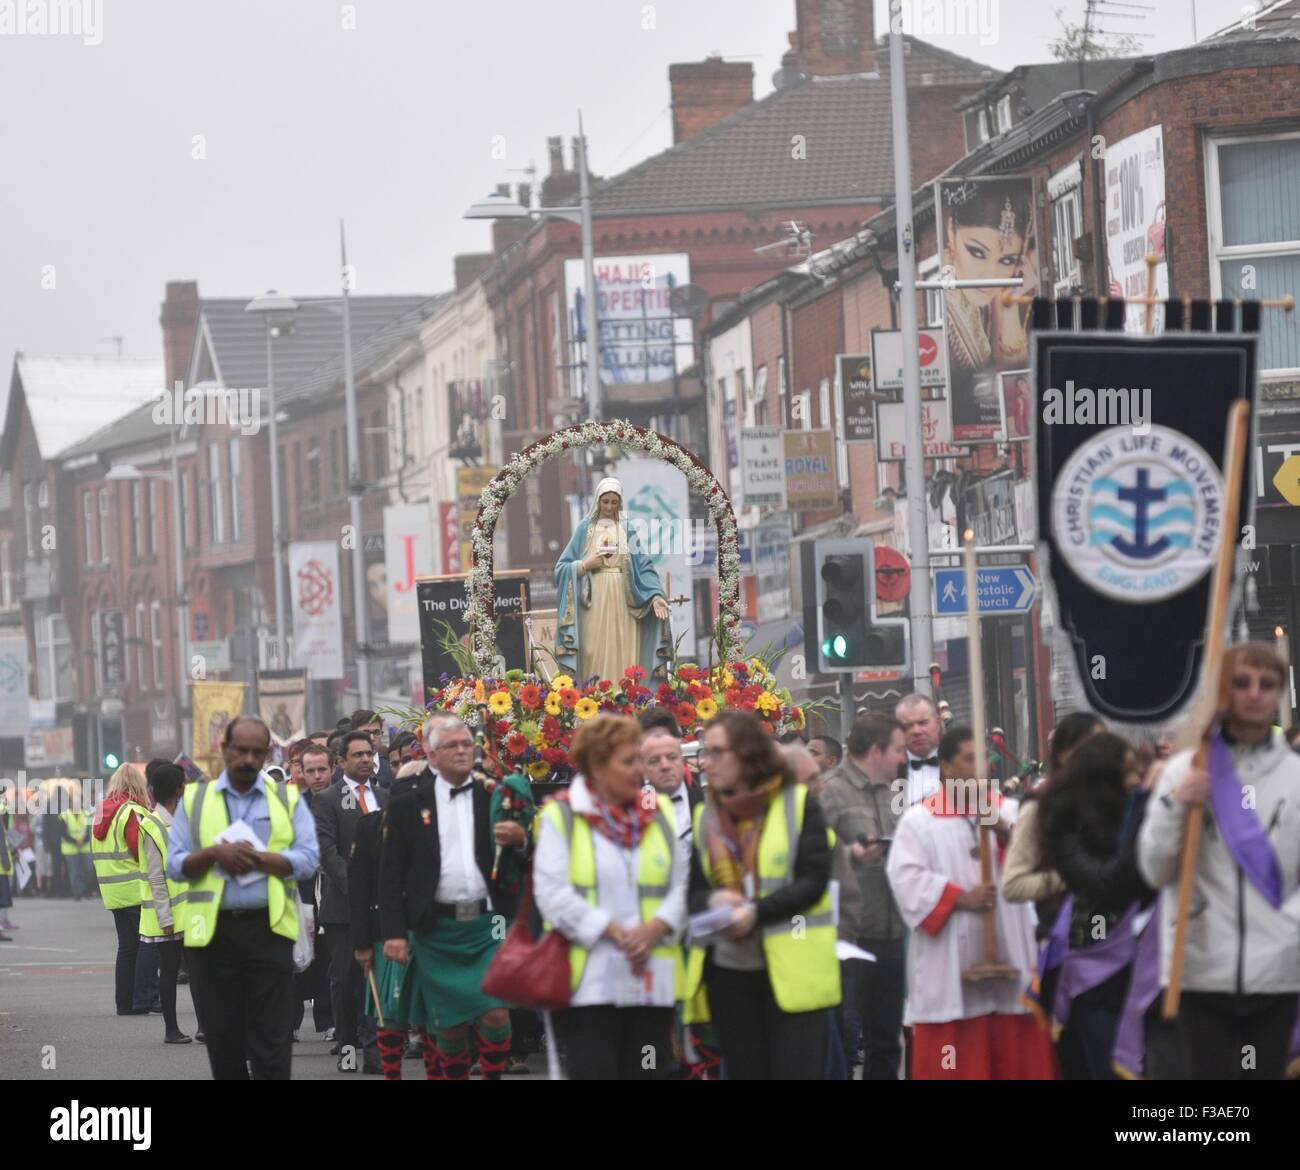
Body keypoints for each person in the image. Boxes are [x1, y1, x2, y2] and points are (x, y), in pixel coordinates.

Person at [1137, 642, 1300, 1080]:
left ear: (1280, 693)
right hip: (1199, 970)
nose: (1253, 693)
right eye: (1241, 682)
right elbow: (1154, 870)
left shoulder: (1296, 776)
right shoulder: (1184, 772)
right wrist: (1176, 806)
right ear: (1222, 690)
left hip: (1278, 971)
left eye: (1266, 684)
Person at [885, 725, 1055, 1080]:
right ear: (946, 767)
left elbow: (1041, 866)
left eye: (983, 758)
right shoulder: (919, 821)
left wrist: (1002, 833)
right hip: (950, 967)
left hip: (1010, 960)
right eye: (968, 758)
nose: (980, 766)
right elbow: (906, 880)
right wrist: (960, 897)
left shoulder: (1009, 811)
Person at [686, 710, 839, 1079]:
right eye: (706, 752)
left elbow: (813, 880)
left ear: (747, 754)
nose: (707, 763)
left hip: (792, 976)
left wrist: (756, 913)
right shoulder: (707, 815)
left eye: (718, 752)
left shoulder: (798, 804)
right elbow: (693, 892)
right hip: (730, 974)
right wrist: (714, 902)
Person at [167, 716, 321, 1080]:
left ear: (268, 753)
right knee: (224, 1043)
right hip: (214, 937)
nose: (248, 759)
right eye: (241, 750)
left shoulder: (287, 798)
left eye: (257, 752)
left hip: (270, 933)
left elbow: (310, 858)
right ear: (224, 749)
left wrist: (267, 860)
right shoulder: (195, 800)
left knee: (273, 1045)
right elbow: (174, 865)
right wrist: (212, 855)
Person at [534, 714, 685, 1079]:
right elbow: (551, 893)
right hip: (590, 983)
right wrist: (612, 931)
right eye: (629, 761)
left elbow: (682, 882)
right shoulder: (563, 816)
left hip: (650, 980)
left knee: (648, 1071)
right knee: (596, 1070)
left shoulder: (659, 811)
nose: (639, 770)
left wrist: (654, 929)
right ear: (598, 766)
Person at [379, 713, 528, 1080]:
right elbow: (390, 875)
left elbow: (530, 852)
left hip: (490, 922)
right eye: (452, 746)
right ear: (431, 756)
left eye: (467, 744)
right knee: (450, 1026)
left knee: (495, 1012)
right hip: (437, 928)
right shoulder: (406, 807)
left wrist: (521, 840)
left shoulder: (496, 794)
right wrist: (394, 933)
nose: (463, 752)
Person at [1037, 733, 1154, 1080]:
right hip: (1096, 972)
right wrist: (1140, 815)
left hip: (1145, 968)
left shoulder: (1141, 811)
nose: (1136, 781)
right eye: (1129, 773)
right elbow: (1108, 884)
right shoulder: (1067, 824)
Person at [821, 713, 910, 1080]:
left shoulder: (895, 794)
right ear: (876, 751)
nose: (903, 759)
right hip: (847, 937)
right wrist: (849, 855)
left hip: (890, 933)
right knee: (842, 1042)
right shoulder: (829, 790)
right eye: (898, 750)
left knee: (886, 1041)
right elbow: (806, 854)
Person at [315, 730, 388, 1074]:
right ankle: (347, 1046)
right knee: (345, 980)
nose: (365, 760)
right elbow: (327, 853)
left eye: (369, 753)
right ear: (340, 761)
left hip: (384, 905)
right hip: (344, 908)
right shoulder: (327, 800)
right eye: (357, 754)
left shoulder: (386, 798)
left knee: (380, 977)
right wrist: (358, 887)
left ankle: (377, 1052)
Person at [554, 476, 672, 685]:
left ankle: (624, 696)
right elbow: (561, 569)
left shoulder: (627, 529)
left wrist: (655, 596)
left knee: (624, 647)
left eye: (614, 502)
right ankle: (595, 697)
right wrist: (584, 565)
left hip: (623, 597)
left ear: (620, 503)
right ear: (597, 501)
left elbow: (643, 566)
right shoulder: (585, 529)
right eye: (605, 501)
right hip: (593, 599)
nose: (609, 507)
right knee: (593, 649)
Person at [1003, 712, 1104, 936]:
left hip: (1116, 936)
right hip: (1063, 935)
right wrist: (1072, 877)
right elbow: (1013, 885)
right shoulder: (1039, 806)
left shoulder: (1118, 797)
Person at [137, 764, 195, 1044]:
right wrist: (165, 916)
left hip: (192, 911)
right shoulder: (151, 825)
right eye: (183, 783)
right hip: (168, 915)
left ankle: (205, 1026)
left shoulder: (185, 818)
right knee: (170, 971)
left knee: (197, 970)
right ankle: (171, 1029)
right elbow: (155, 877)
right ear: (177, 789)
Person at [92, 763, 155, 1016]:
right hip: (134, 887)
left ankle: (125, 1003)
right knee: (143, 946)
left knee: (127, 947)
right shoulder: (130, 811)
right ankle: (141, 999)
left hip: (113, 890)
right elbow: (139, 849)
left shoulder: (101, 811)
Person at [293, 743, 335, 1041]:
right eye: (311, 771)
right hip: (305, 891)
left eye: (322, 769)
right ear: (302, 774)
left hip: (335, 889)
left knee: (333, 956)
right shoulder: (295, 808)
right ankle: (290, 1022)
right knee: (301, 956)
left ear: (333, 768)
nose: (317, 776)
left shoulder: (342, 800)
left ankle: (329, 1019)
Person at [894, 694, 943, 806]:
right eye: (908, 726)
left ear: (938, 723)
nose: (916, 731)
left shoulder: (957, 761)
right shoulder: (890, 770)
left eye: (923, 723)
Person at [59, 788, 95, 901]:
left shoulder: (87, 814)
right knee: (74, 872)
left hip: (84, 847)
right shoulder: (64, 815)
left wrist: (82, 841)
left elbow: (90, 830)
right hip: (70, 848)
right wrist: (75, 841)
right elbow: (62, 833)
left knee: (88, 871)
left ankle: (86, 891)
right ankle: (77, 893)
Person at [351, 709, 396, 790]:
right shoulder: (342, 771)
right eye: (366, 733)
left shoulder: (392, 768)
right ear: (353, 734)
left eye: (376, 732)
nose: (372, 738)